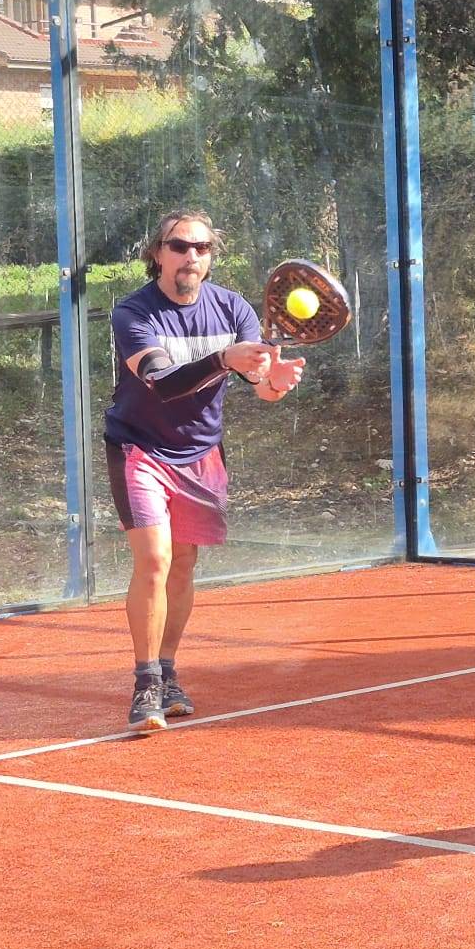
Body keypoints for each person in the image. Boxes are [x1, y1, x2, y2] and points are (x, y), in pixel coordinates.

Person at [105, 209, 304, 732]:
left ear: (211, 257)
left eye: (202, 247)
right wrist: (223, 359)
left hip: (201, 454)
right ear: (158, 254)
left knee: (184, 565)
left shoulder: (233, 308)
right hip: (139, 448)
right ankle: (146, 683)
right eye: (179, 246)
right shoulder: (133, 313)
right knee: (155, 559)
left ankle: (168, 670)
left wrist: (277, 381)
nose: (190, 255)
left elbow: (262, 387)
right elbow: (162, 383)